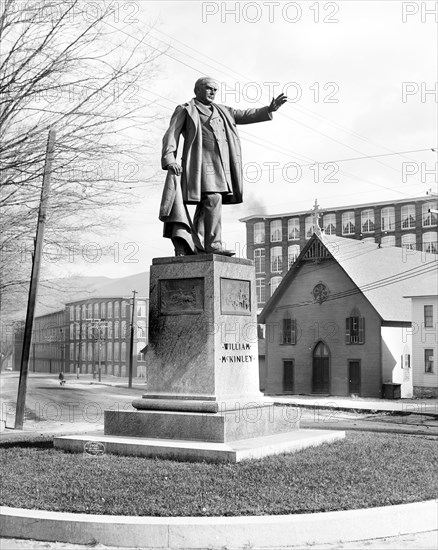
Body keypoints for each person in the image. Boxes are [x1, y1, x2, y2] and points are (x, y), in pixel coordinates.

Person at [160, 77, 287, 256]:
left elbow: (245, 115)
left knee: (208, 204)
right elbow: (171, 135)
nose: (213, 92)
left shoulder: (224, 111)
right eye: (209, 88)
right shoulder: (186, 110)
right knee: (213, 199)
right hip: (199, 165)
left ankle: (197, 245)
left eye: (215, 90)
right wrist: (169, 159)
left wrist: (268, 109)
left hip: (220, 166)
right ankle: (213, 245)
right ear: (197, 90)